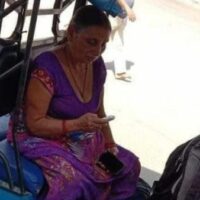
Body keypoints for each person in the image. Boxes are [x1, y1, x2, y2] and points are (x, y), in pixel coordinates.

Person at [7, 5, 140, 200]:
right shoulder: (46, 68)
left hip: (79, 137)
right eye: (91, 42)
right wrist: (77, 124)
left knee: (127, 165)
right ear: (71, 33)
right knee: (75, 182)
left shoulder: (96, 65)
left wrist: (110, 143)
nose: (97, 51)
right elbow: (34, 124)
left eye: (103, 45)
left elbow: (100, 111)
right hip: (38, 138)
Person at [110, 0, 136, 80]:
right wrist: (127, 9)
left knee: (119, 44)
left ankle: (120, 71)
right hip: (113, 14)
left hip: (122, 16)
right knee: (98, 37)